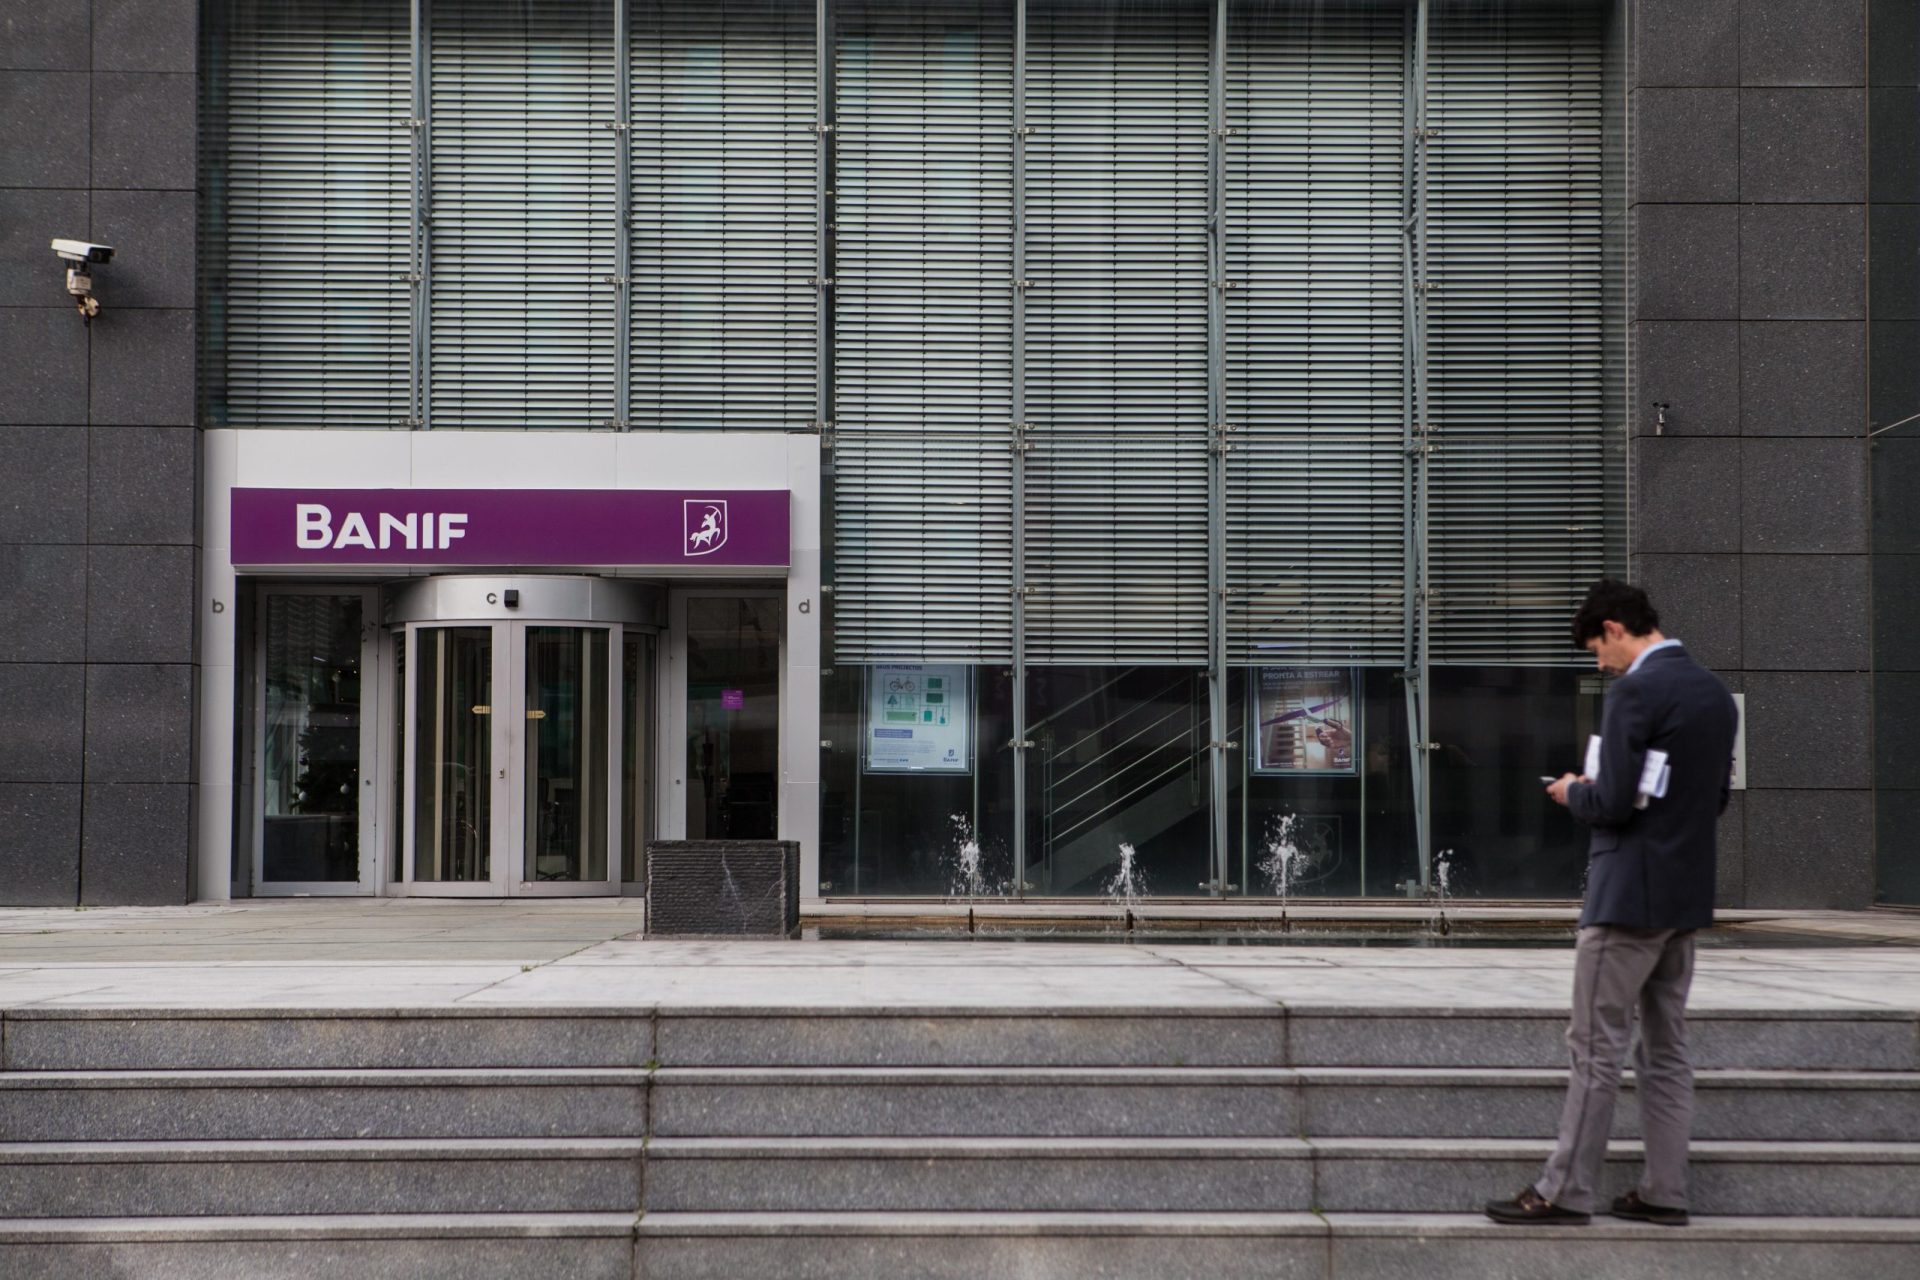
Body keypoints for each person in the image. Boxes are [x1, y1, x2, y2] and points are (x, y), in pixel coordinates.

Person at [1484, 579, 1739, 1227]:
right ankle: (1664, 1191)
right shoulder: (1713, 693)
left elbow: (1614, 802)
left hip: (1626, 897)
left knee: (1596, 1047)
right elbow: (1714, 799)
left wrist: (1573, 791)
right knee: (1666, 1050)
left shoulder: (1635, 691)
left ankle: (1563, 1191)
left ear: (1616, 629)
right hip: (1683, 898)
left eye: (1597, 648)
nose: (1598, 663)